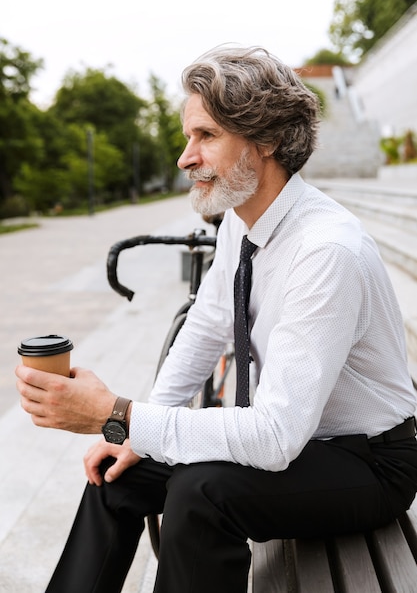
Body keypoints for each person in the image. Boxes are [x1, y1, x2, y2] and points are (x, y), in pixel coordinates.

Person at [16, 45, 417, 593]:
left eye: (206, 136)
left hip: (368, 462)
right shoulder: (242, 221)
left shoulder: (326, 251)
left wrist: (119, 412)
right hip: (302, 440)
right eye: (189, 137)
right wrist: (136, 431)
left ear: (267, 139)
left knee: (197, 494)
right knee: (117, 476)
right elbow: (205, 326)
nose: (185, 156)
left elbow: (276, 435)